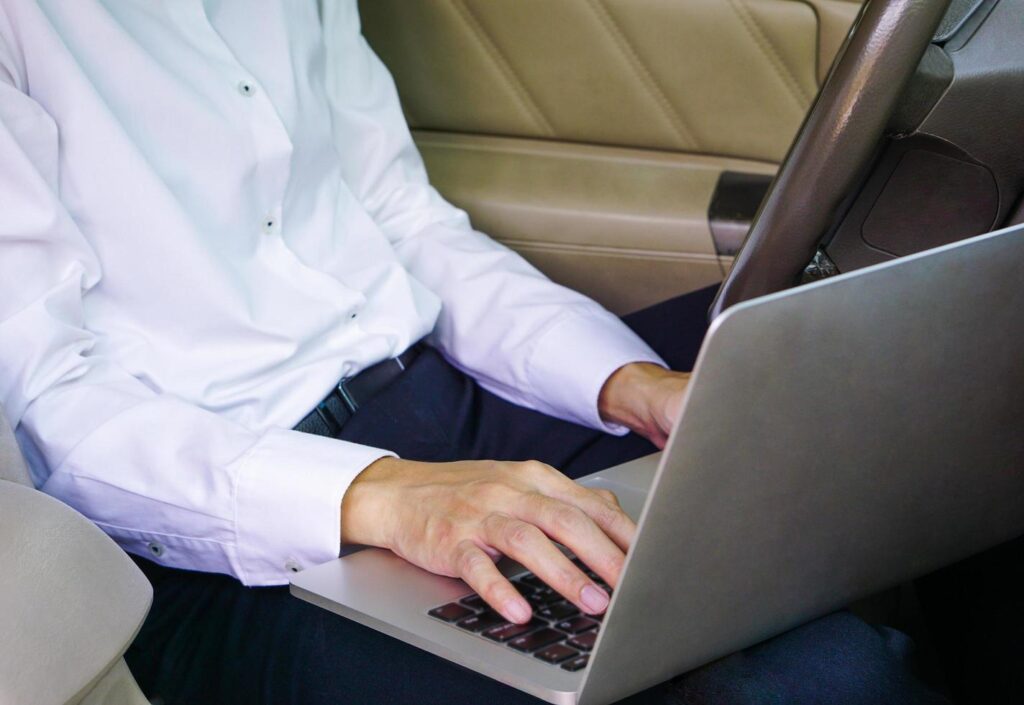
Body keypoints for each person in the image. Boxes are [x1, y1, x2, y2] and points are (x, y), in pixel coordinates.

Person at [0, 1, 948, 703]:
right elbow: (47, 410)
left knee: (837, 402)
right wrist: (378, 494)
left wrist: (625, 385)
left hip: (434, 399)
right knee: (815, 679)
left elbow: (411, 225)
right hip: (220, 533)